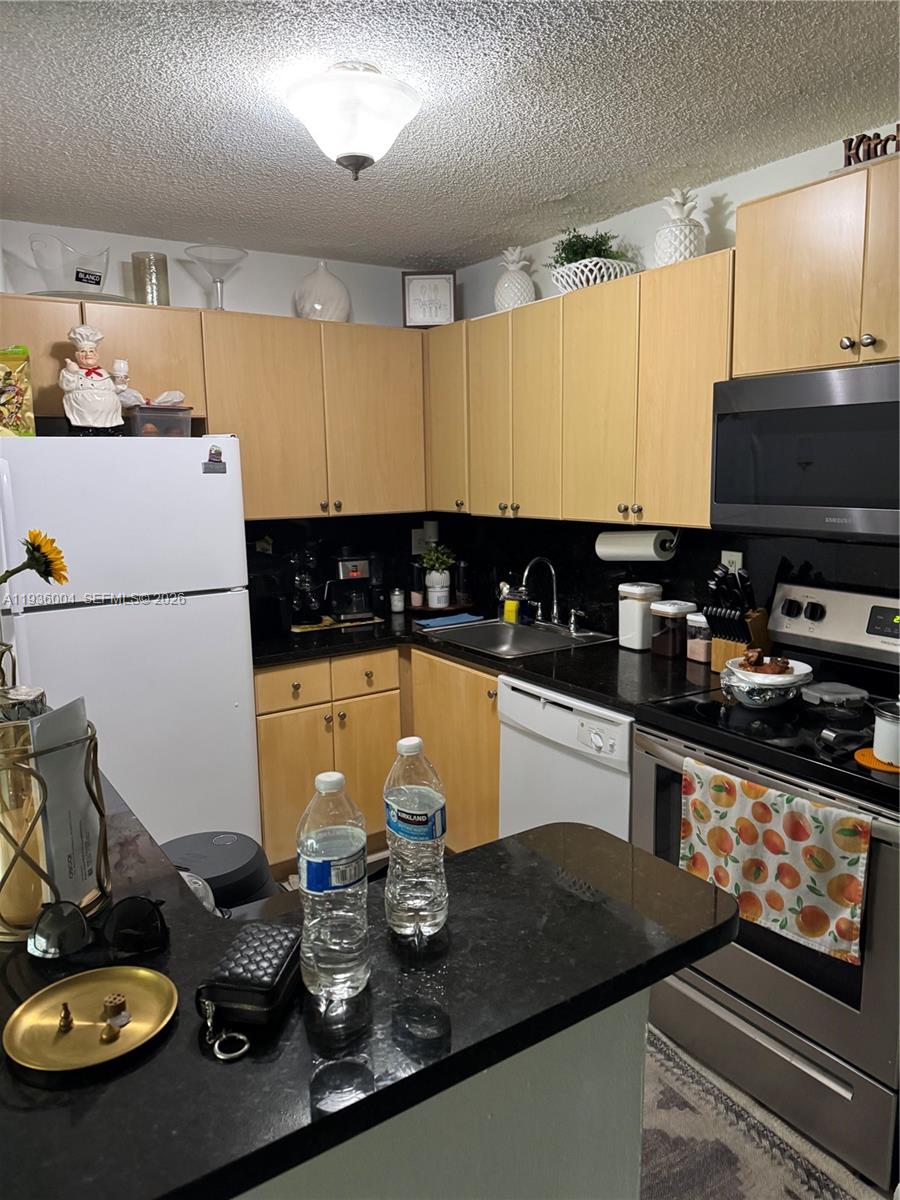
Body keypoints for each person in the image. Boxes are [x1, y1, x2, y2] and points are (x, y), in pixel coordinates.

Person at [59, 324, 133, 435]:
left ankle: (110, 429)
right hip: (82, 418)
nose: (88, 354)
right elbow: (66, 385)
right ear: (77, 355)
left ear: (97, 355)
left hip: (109, 418)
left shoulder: (105, 373)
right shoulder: (71, 371)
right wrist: (70, 372)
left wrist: (120, 377)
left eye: (91, 351)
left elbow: (117, 389)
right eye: (83, 351)